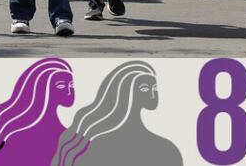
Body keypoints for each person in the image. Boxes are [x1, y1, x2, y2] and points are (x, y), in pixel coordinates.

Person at [53, 61, 182, 166]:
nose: (153, 95)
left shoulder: (167, 149)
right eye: (144, 89)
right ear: (125, 93)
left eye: (155, 88)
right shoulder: (100, 146)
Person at [0, 58, 74, 166]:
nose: (69, 91)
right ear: (42, 89)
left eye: (71, 85)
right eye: (61, 86)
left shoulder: (72, 139)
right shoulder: (15, 138)